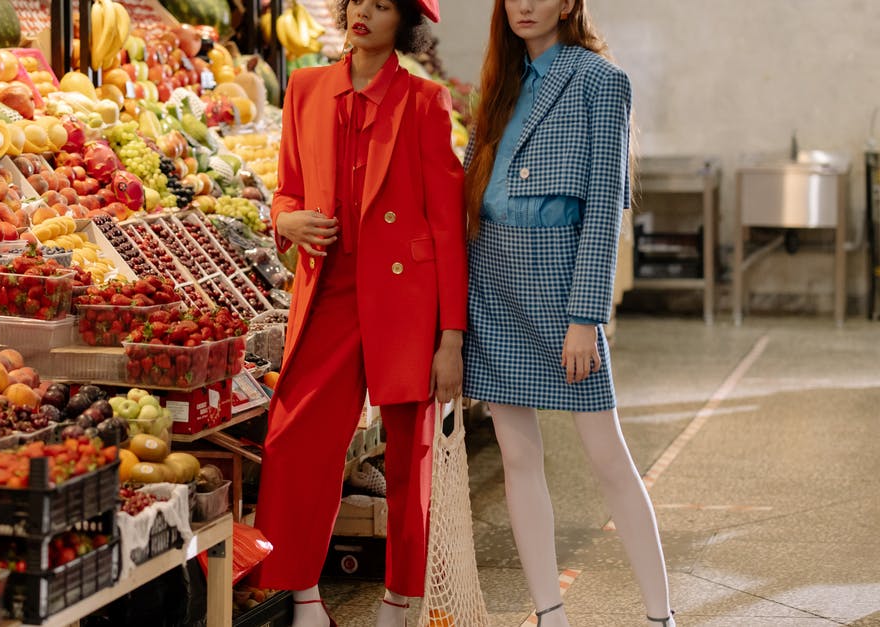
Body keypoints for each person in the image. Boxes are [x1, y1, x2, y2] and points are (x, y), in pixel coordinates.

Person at [250, 0, 466, 625]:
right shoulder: (307, 87)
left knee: (409, 454)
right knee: (295, 439)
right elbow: (288, 187)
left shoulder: (424, 102)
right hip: (329, 291)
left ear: (405, 22)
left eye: (380, 5)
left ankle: (400, 599)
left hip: (407, 297)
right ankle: (304, 595)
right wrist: (284, 219)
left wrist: (450, 335)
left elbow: (447, 225)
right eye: (354, 2)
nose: (362, 14)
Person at [461, 1, 675, 626]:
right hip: (494, 288)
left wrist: (587, 317)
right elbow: (469, 193)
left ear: (569, 3)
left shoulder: (601, 81)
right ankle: (549, 613)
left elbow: (606, 205)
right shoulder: (498, 83)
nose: (524, 4)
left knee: (608, 459)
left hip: (559, 294)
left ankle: (661, 617)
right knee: (517, 458)